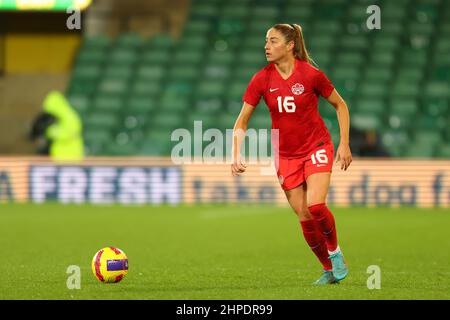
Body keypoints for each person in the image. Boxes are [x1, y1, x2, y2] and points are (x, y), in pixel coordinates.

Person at [231, 24, 353, 285]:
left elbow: (340, 105)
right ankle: (328, 269)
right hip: (286, 155)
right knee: (304, 215)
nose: (266, 46)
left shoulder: (311, 75)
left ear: (290, 46)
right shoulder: (261, 79)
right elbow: (242, 121)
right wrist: (236, 152)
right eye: (265, 41)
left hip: (316, 146)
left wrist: (344, 143)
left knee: (316, 206)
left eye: (273, 41)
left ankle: (335, 252)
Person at [31, 91, 84, 161]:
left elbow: (68, 134)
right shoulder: (52, 117)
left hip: (71, 156)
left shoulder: (70, 116)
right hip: (57, 156)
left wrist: (49, 131)